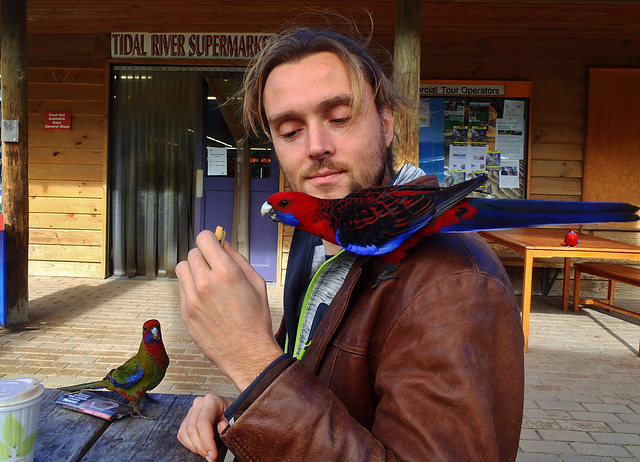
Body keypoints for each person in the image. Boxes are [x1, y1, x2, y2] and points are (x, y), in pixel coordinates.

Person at [176, 25, 524, 462]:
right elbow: (314, 390)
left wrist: (249, 359)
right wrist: (246, 409)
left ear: (386, 123)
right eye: (289, 130)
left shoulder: (453, 289)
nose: (317, 147)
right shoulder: (315, 242)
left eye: (339, 118)